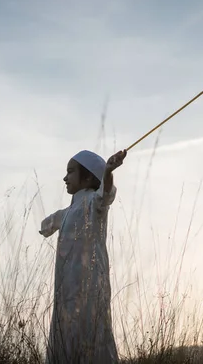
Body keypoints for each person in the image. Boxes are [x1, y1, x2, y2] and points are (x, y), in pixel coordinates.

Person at [40, 149, 127, 363]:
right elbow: (46, 225)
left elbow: (106, 194)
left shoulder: (93, 204)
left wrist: (107, 171)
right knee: (65, 327)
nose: (65, 178)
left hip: (90, 284)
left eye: (71, 172)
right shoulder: (67, 212)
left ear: (88, 177)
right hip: (66, 286)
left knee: (91, 327)